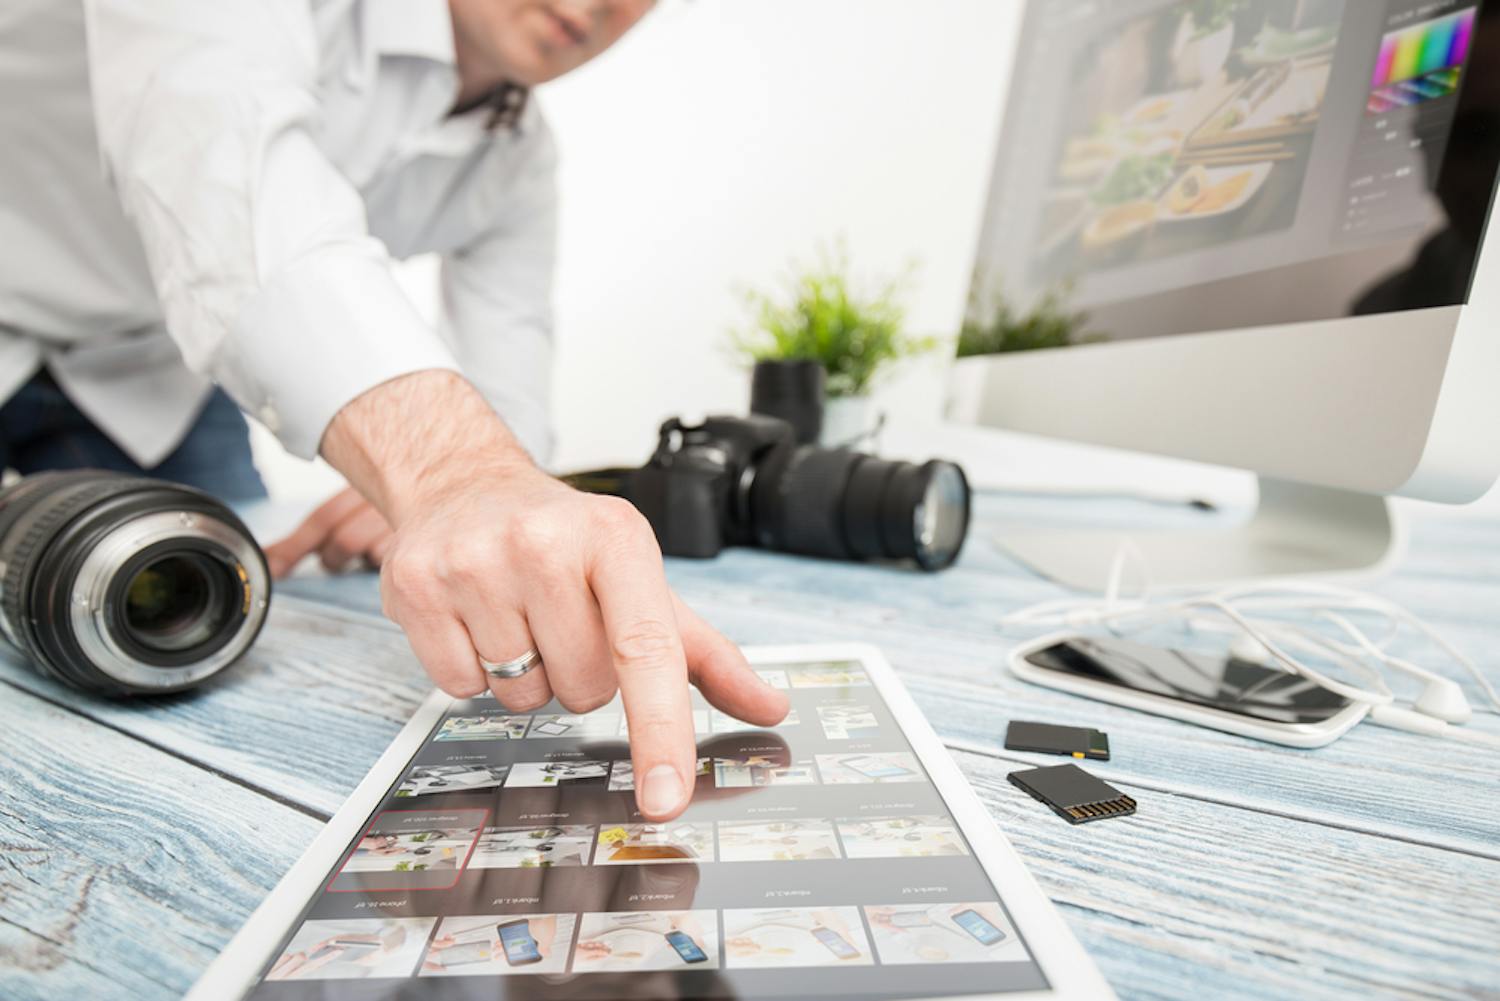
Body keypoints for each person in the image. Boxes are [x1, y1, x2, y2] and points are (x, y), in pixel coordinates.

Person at [0, 0, 789, 822]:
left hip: (151, 374)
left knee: (198, 606)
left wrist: (453, 496)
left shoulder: (518, 163)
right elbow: (217, 149)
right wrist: (446, 472)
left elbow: (510, 384)